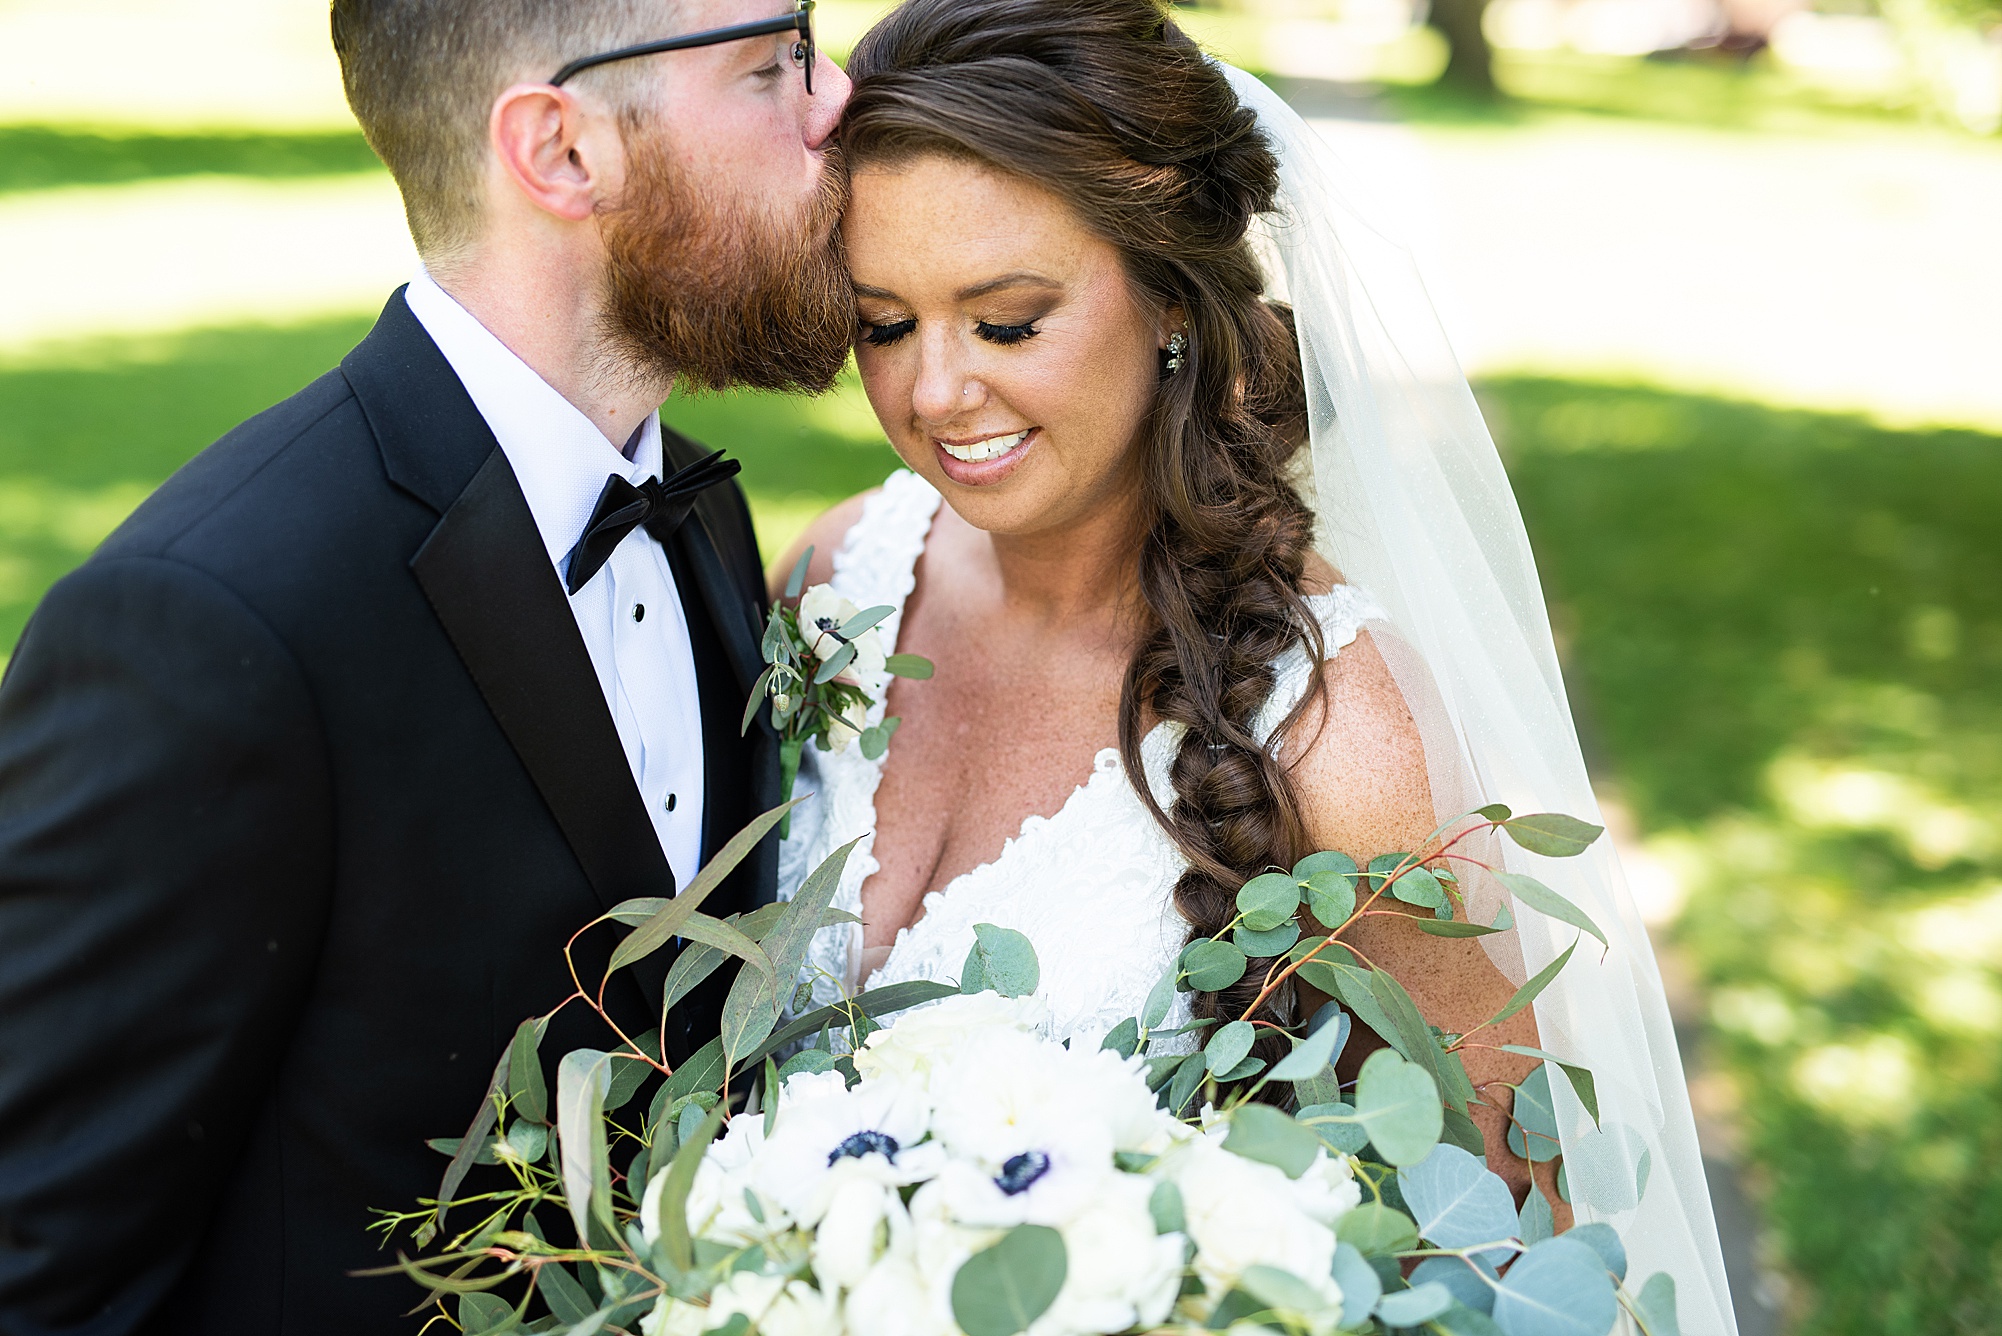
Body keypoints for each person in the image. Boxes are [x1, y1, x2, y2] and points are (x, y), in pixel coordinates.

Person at [774, 0, 1739, 1329]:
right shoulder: (836, 584)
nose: (933, 392)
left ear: (1170, 298)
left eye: (1006, 323)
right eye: (885, 324)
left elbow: (1522, 1247)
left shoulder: (1335, 734)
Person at [0, 2, 851, 1332]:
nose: (833, 96)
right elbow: (42, 1269)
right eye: (769, 64)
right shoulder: (205, 625)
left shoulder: (699, 510)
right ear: (560, 151)